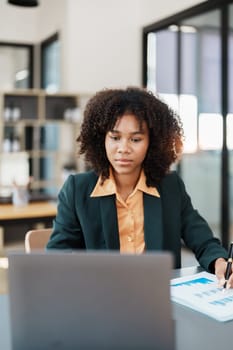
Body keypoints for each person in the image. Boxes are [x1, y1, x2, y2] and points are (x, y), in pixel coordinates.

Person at [47, 86, 232, 288]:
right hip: (100, 298)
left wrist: (219, 262)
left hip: (158, 298)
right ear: (102, 140)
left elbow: (202, 240)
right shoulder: (77, 190)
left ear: (152, 143)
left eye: (135, 139)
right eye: (115, 138)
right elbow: (58, 257)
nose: (123, 149)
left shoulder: (170, 186)